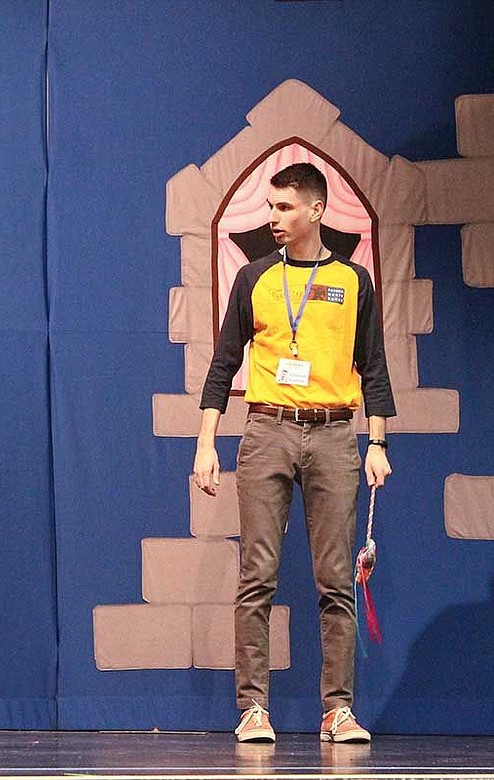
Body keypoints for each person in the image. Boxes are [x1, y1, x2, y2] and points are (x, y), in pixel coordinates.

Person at [192, 162, 394, 744]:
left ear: (316, 211)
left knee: (335, 579)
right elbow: (223, 363)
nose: (273, 218)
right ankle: (252, 708)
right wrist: (206, 443)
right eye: (270, 207)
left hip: (334, 434)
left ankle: (338, 711)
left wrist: (377, 442)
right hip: (267, 430)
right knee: (258, 575)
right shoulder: (254, 277)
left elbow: (374, 369)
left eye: (284, 208)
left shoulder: (353, 282)